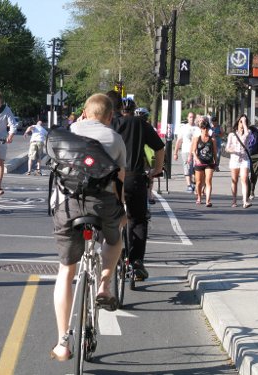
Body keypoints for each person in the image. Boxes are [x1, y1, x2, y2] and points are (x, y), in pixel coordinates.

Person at [50, 93, 127, 362]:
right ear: (110, 116)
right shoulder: (116, 139)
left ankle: (62, 342)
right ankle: (105, 284)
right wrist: (123, 212)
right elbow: (119, 180)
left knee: (66, 271)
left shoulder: (68, 132)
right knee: (115, 239)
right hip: (102, 206)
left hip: (68, 207)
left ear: (84, 112)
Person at [109, 92, 165, 280]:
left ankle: (106, 256)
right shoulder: (140, 123)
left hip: (109, 178)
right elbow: (159, 147)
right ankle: (136, 262)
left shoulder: (107, 124)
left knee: (107, 218)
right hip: (133, 177)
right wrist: (156, 170)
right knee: (138, 219)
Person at [189, 118, 217, 207]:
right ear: (201, 129)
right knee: (199, 182)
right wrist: (196, 158)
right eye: (204, 128)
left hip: (209, 163)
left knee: (208, 181)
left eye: (207, 129)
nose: (205, 130)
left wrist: (215, 162)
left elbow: (215, 152)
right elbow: (193, 150)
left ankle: (208, 201)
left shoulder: (212, 140)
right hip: (200, 162)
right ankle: (199, 197)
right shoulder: (197, 138)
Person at [225, 114, 251, 208]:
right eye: (240, 121)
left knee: (244, 179)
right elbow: (227, 148)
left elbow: (246, 135)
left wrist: (244, 122)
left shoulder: (248, 132)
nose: (242, 123)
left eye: (244, 122)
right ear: (237, 122)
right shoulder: (232, 134)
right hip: (234, 159)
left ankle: (245, 201)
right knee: (234, 180)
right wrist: (232, 150)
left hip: (244, 159)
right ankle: (234, 200)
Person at [174, 112, 198, 192]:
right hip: (186, 151)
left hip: (196, 152)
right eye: (190, 117)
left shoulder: (197, 128)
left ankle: (193, 183)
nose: (192, 118)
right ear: (187, 118)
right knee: (187, 168)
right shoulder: (184, 128)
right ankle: (189, 185)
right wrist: (175, 153)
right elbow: (179, 140)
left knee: (195, 169)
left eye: (193, 117)